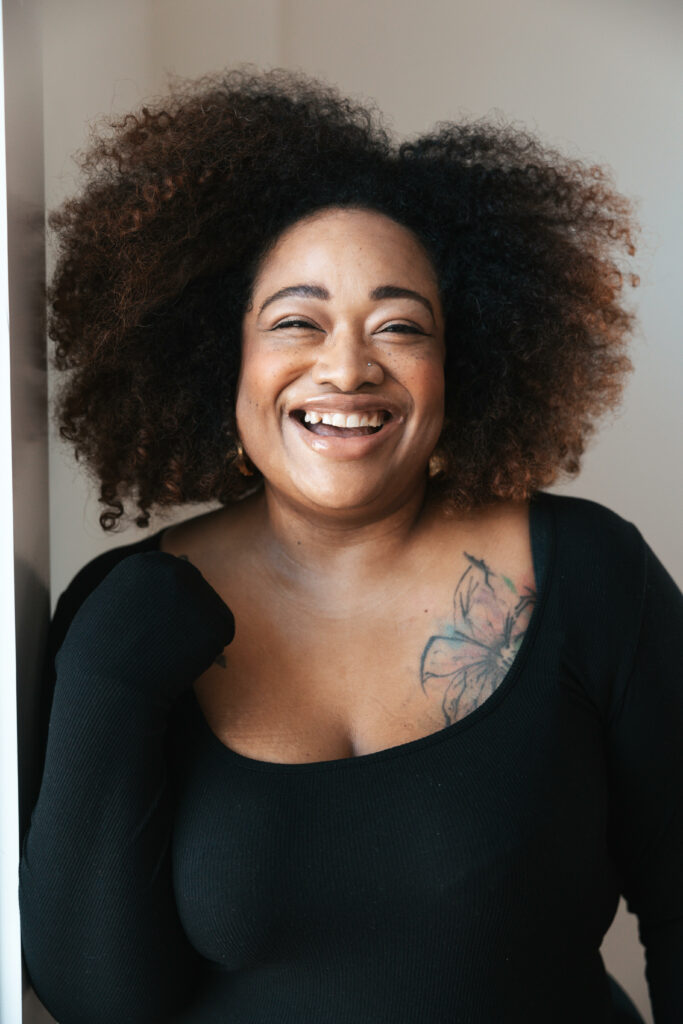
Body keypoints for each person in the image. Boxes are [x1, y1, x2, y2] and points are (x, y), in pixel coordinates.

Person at [19, 69, 681, 1024]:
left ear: (465, 361)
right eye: (295, 321)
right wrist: (105, 686)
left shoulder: (590, 572)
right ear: (219, 356)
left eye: (400, 326)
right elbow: (101, 1003)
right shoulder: (128, 615)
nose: (345, 366)